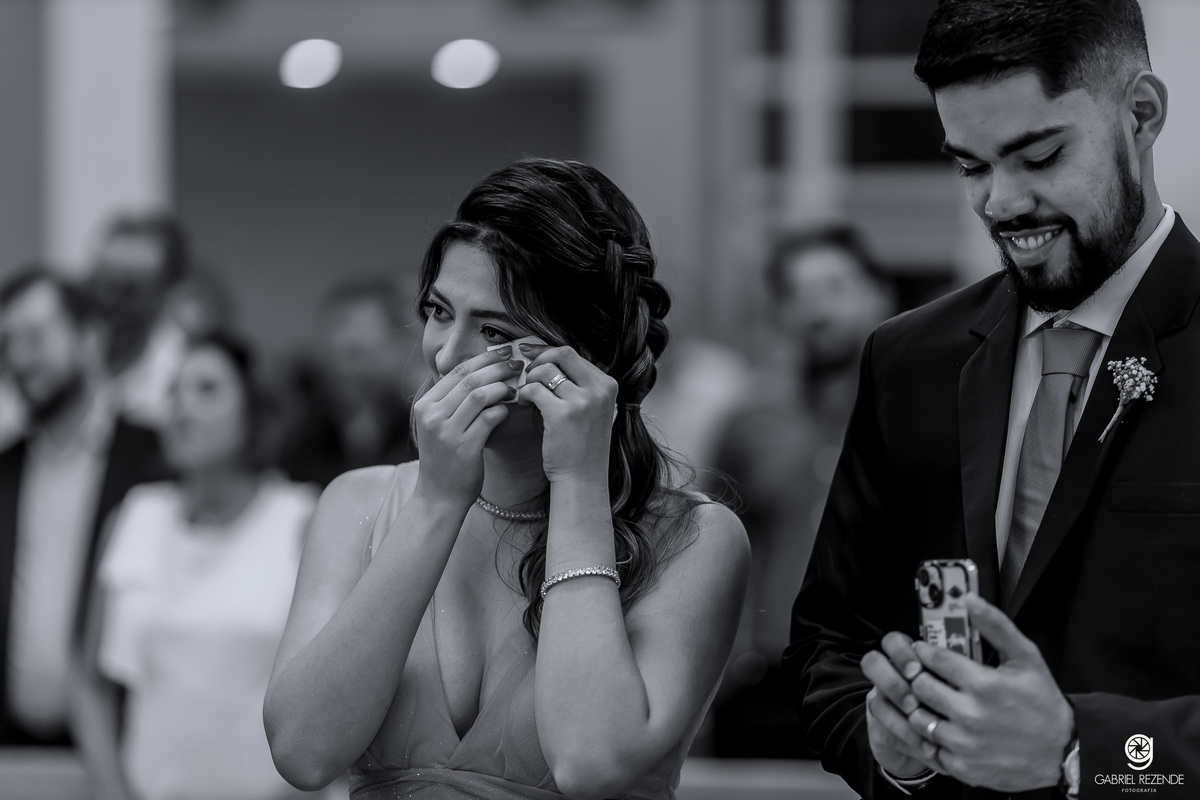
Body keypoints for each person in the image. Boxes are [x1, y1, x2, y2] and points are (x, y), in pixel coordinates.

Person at [783, 1, 1200, 798]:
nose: (1001, 203)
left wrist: (1085, 750)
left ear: (1142, 115)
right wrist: (890, 749)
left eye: (1039, 156)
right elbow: (827, 643)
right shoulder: (909, 361)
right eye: (971, 167)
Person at [264, 157, 749, 800]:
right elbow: (303, 753)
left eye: (493, 330)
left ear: (587, 353)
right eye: (439, 312)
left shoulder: (696, 538)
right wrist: (436, 502)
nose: (445, 356)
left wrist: (577, 482)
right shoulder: (359, 501)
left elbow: (590, 762)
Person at [75, 330, 318, 800]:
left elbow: (336, 688)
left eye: (207, 390)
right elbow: (90, 681)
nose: (182, 409)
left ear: (254, 408)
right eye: (174, 392)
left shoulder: (302, 520)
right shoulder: (134, 516)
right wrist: (110, 788)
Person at [710, 225, 895, 758]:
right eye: (796, 293)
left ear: (878, 294)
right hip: (767, 684)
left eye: (835, 286)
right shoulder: (749, 419)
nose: (816, 309)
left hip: (882, 679)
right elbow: (709, 542)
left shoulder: (917, 412)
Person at [0, 266, 167, 748]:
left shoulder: (155, 460)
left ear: (90, 338)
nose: (18, 358)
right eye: (7, 343)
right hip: (15, 750)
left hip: (127, 746)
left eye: (34, 336)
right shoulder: (5, 469)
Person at [280, 277, 422, 487]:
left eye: (357, 353)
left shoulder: (421, 429)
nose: (344, 368)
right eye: (333, 353)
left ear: (399, 345)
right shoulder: (302, 436)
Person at [85, 212, 193, 429]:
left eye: (131, 290)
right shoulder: (64, 353)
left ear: (167, 294)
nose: (112, 301)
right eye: (106, 283)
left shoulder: (184, 376)